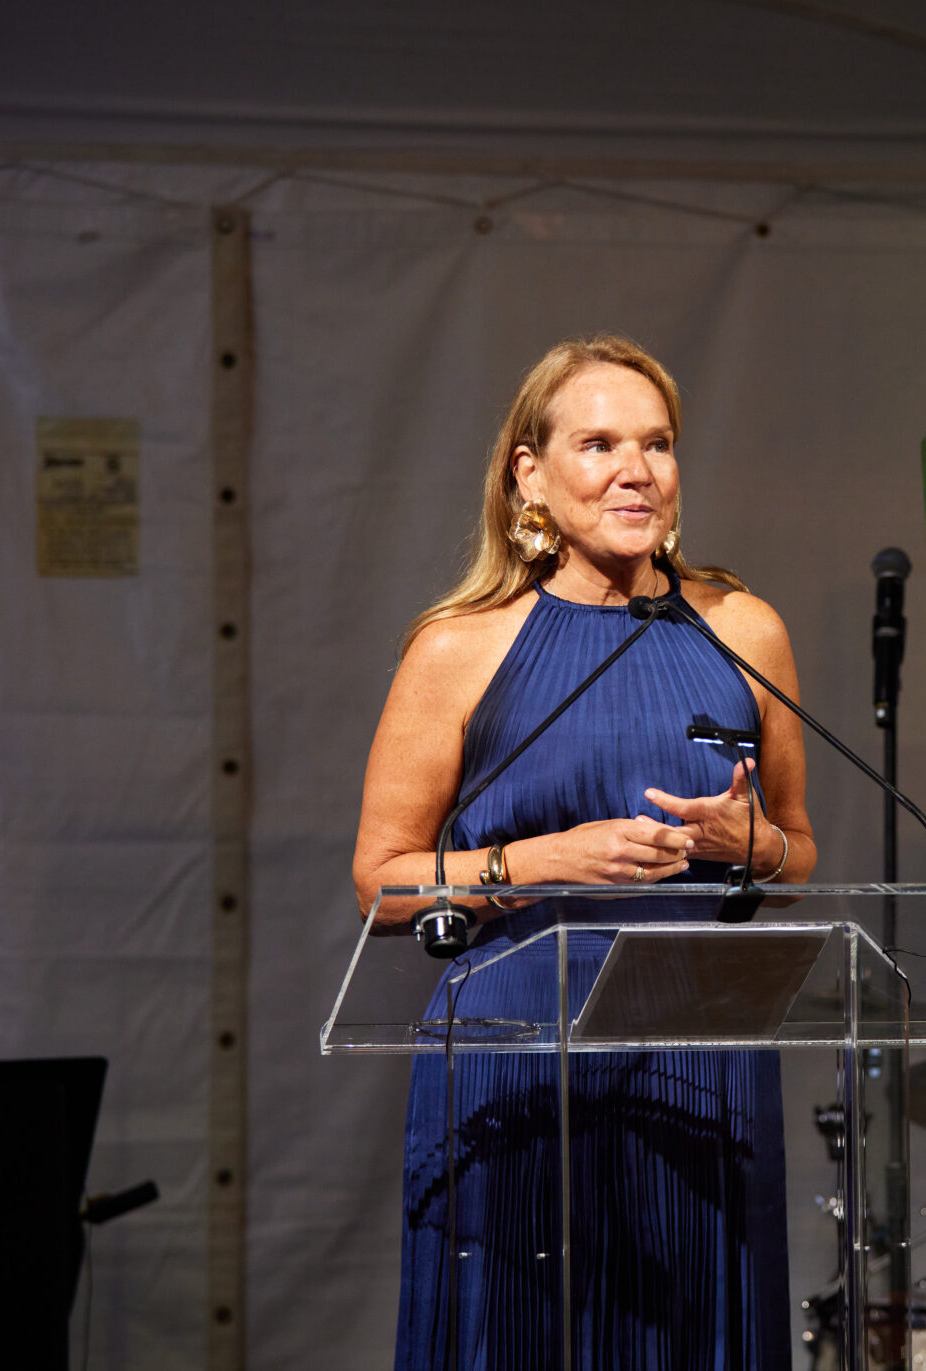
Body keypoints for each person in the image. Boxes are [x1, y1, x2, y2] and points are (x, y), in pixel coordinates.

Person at [353, 334, 816, 1369]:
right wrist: (539, 861)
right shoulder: (460, 646)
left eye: (657, 443)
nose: (635, 470)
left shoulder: (744, 630)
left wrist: (749, 843)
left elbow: (797, 856)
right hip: (516, 1064)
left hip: (701, 1065)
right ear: (531, 474)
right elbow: (382, 881)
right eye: (600, 444)